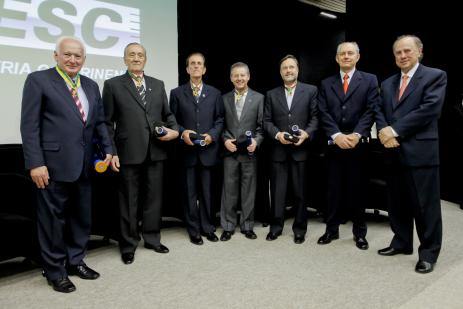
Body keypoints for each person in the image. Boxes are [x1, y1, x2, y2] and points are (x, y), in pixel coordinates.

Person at [20, 36, 112, 293]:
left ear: (84, 59)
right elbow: (29, 126)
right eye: (67, 55)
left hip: (85, 165)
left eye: (78, 56)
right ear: (56, 56)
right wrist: (35, 162)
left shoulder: (91, 86)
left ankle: (75, 261)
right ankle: (55, 270)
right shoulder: (38, 81)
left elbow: (100, 123)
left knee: (81, 218)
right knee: (52, 221)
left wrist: (108, 149)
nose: (73, 60)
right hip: (51, 166)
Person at [376, 35, 447, 274]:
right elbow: (379, 110)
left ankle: (428, 253)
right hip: (392, 152)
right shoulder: (386, 84)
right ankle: (401, 242)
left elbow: (429, 109)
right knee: (397, 203)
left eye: (407, 51)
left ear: (420, 52)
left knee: (425, 207)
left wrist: (395, 130)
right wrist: (385, 132)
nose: (403, 56)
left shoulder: (435, 76)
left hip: (421, 152)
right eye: (398, 52)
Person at [103, 43, 179, 264]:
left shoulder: (157, 84)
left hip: (156, 151)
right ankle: (128, 245)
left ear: (145, 59)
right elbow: (106, 123)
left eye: (140, 55)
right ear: (125, 59)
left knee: (154, 199)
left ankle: (153, 238)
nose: (136, 58)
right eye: (132, 55)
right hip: (127, 153)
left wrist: (174, 132)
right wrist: (112, 151)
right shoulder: (113, 85)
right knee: (129, 201)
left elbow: (168, 114)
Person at [317, 42, 379, 250]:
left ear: (358, 57)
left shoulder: (369, 80)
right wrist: (336, 135)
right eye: (342, 54)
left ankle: (360, 233)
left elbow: (371, 110)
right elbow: (323, 112)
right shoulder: (326, 83)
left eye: (350, 53)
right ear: (336, 58)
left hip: (357, 145)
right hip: (334, 145)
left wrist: (355, 134)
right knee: (332, 190)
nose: (346, 56)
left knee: (357, 190)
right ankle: (331, 230)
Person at [170, 52, 224, 245]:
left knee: (208, 193)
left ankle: (208, 227)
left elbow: (220, 119)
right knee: (189, 193)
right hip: (187, 152)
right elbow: (172, 121)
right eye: (192, 64)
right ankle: (193, 230)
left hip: (208, 151)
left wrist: (213, 135)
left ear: (204, 69)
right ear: (187, 69)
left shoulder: (215, 93)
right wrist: (183, 132)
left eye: (199, 63)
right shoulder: (176, 93)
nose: (195, 66)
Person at [263, 55, 318, 244]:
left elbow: (315, 117)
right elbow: (266, 121)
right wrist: (277, 135)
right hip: (278, 151)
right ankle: (276, 227)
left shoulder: (311, 91)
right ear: (280, 72)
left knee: (300, 193)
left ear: (297, 70)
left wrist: (306, 133)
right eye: (285, 68)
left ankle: (300, 229)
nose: (288, 70)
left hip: (300, 150)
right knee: (278, 192)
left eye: (291, 67)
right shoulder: (271, 94)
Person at [219, 62, 264, 241]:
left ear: (248, 76)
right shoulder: (223, 99)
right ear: (231, 78)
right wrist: (224, 140)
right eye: (236, 75)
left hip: (249, 153)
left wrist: (257, 141)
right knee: (228, 190)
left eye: (242, 75)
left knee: (249, 190)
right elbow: (219, 125)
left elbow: (261, 127)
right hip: (230, 152)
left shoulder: (259, 98)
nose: (239, 78)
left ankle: (247, 226)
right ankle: (228, 227)